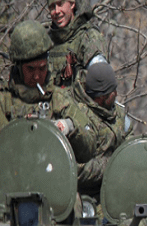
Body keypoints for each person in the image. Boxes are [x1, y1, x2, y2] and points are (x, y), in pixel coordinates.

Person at [0, 20, 95, 162]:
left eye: (42, 68)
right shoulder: (4, 100)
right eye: (30, 69)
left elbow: (89, 148)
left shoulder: (58, 98)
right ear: (19, 67)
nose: (37, 76)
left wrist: (70, 127)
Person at [72, 62, 132, 197]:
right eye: (112, 92)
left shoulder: (119, 114)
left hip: (119, 191)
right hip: (88, 198)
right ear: (101, 97)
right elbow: (76, 169)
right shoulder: (79, 118)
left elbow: (130, 142)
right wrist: (112, 166)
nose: (116, 94)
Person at [45, 0, 108, 87]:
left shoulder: (89, 37)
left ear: (72, 4)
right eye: (52, 7)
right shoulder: (46, 43)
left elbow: (101, 81)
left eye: (60, 4)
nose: (56, 11)